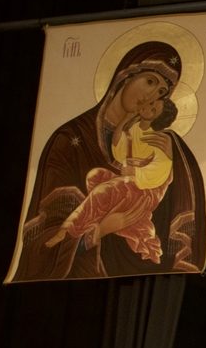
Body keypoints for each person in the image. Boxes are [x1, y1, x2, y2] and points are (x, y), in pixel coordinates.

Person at [12, 40, 206, 280]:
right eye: (149, 81)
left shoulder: (163, 143)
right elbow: (40, 246)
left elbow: (177, 215)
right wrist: (102, 229)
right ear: (125, 76)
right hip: (81, 286)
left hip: (146, 278)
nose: (150, 96)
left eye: (160, 93)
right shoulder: (71, 139)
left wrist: (171, 159)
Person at [42, 97, 180, 266]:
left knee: (103, 191)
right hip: (130, 182)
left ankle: (68, 229)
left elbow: (161, 171)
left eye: (153, 110)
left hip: (146, 192)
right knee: (95, 176)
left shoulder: (158, 140)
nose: (148, 106)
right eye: (151, 103)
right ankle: (127, 225)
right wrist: (125, 121)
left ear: (156, 119)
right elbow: (119, 153)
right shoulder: (135, 129)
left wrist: (134, 171)